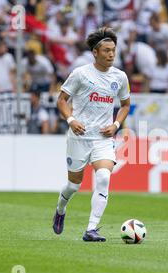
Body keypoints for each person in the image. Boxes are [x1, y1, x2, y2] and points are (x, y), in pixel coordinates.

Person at [52, 27, 131, 242]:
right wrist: (71, 120)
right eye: (106, 50)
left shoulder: (120, 77)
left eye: (113, 50)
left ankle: (91, 229)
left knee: (104, 177)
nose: (111, 54)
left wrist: (115, 124)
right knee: (73, 185)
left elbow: (125, 105)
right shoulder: (80, 74)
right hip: (79, 137)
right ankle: (61, 209)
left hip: (103, 138)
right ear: (95, 52)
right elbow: (61, 100)